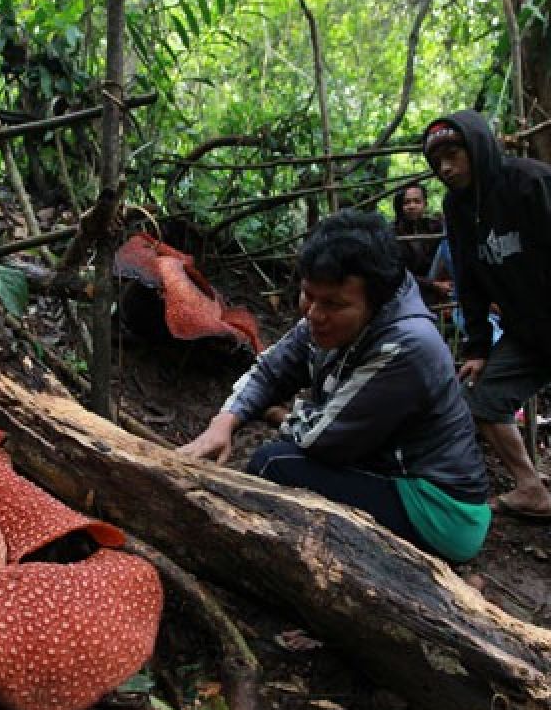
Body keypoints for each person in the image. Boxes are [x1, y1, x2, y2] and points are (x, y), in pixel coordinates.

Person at [178, 210, 491, 564]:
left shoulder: (407, 346)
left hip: (441, 511)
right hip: (394, 472)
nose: (313, 313)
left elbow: (321, 440)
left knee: (274, 464)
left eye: (334, 304)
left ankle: (249, 563)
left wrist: (286, 415)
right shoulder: (324, 317)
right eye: (307, 295)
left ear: (376, 303)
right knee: (280, 458)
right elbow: (272, 368)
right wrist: (225, 421)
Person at [423, 109, 551, 566]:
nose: (446, 168)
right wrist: (476, 346)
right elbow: (468, 278)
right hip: (529, 331)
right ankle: (531, 489)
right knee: (484, 400)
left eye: (454, 154)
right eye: (437, 162)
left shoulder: (530, 182)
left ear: (478, 148)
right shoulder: (457, 208)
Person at [392, 182, 448, 305]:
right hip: (408, 289)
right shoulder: (392, 233)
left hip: (437, 280)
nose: (412, 206)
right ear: (399, 206)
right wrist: (433, 285)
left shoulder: (434, 226)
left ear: (425, 204)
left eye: (417, 201)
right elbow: (397, 274)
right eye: (406, 202)